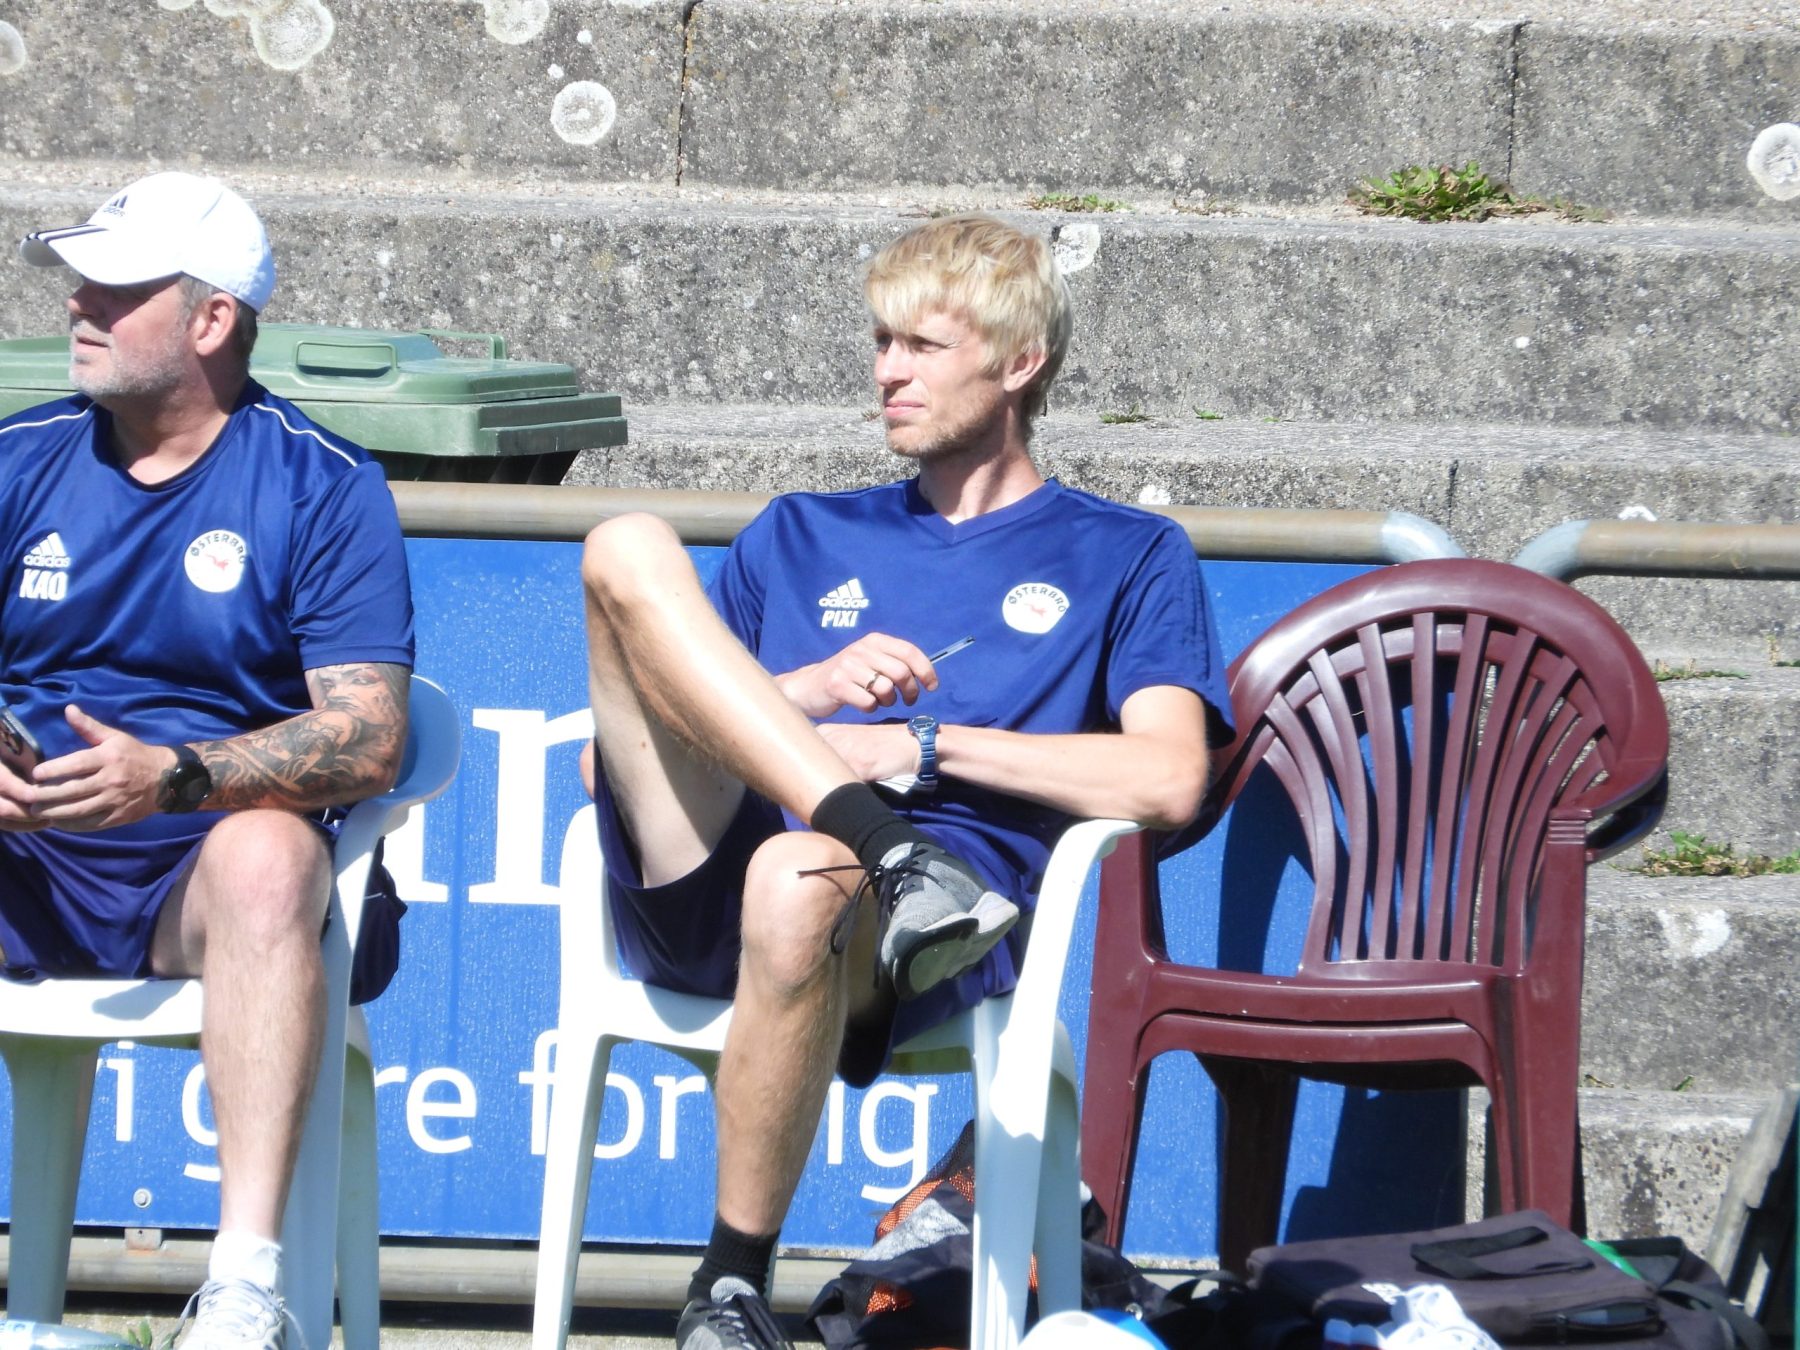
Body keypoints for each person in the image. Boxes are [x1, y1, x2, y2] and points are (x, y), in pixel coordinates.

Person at [579, 213, 1234, 1350]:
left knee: (798, 870)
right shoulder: (797, 532)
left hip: (919, 937)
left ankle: (726, 1288)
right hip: (700, 882)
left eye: (924, 346)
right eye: (882, 342)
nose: (888, 371)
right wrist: (809, 693)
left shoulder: (1126, 552)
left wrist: (923, 748)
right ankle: (884, 844)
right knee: (626, 541)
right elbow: (613, 765)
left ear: (1019, 363)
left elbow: (1171, 779)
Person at [5, 172, 414, 1350]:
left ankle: (241, 1288)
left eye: (116, 289)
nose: (78, 304)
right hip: (22, 858)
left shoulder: (323, 484)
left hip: (198, 883)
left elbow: (371, 736)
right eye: (80, 283)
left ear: (212, 320)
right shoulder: (18, 457)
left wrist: (170, 776)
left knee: (270, 858)